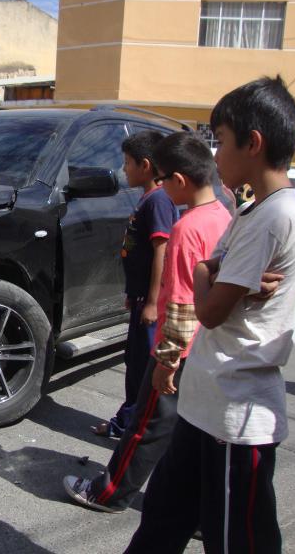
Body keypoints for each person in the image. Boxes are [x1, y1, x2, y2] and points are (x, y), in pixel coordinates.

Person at [124, 76, 295, 554]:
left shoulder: (274, 218)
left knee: (238, 541)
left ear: (254, 143)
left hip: (236, 416)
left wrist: (208, 275)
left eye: (221, 141)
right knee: (163, 520)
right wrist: (212, 270)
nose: (216, 153)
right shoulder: (249, 211)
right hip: (205, 406)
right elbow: (210, 271)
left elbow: (208, 311)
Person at [63, 132, 231, 513]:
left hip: (179, 346)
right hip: (205, 346)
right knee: (193, 434)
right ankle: (202, 511)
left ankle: (107, 493)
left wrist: (168, 360)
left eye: (165, 179)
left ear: (179, 181)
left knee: (145, 427)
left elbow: (184, 301)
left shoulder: (187, 228)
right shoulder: (222, 216)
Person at [93, 131, 178, 437]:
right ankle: (129, 420)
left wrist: (153, 301)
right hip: (140, 298)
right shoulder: (148, 199)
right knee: (135, 363)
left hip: (150, 303)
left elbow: (161, 251)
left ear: (145, 165)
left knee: (143, 368)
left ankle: (134, 425)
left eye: (127, 163)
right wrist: (134, 293)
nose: (123, 169)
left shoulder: (157, 201)